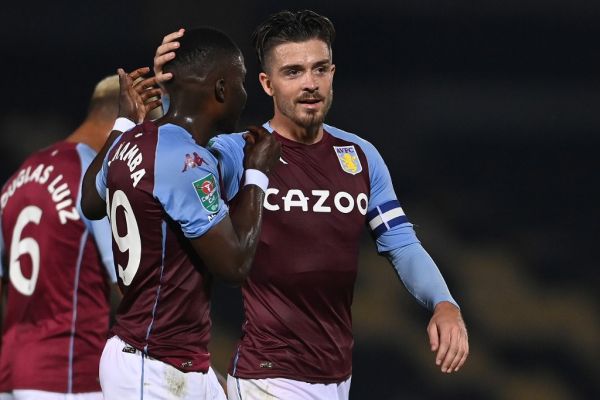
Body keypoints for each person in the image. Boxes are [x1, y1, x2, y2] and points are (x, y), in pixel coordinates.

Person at [154, 10, 469, 400]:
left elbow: (400, 242)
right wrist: (170, 98)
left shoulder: (360, 156)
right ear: (267, 84)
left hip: (337, 376)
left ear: (333, 73)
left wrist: (444, 303)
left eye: (319, 69)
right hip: (267, 375)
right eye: (293, 72)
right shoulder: (237, 152)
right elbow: (170, 169)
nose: (310, 84)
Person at [80, 27, 280, 400]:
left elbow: (90, 202)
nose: (245, 94)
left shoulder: (135, 137)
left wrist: (124, 122)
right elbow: (234, 265)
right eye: (241, 83)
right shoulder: (186, 161)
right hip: (152, 364)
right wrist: (256, 177)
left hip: (170, 356)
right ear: (221, 89)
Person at [0, 75, 124, 400]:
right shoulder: (91, 178)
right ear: (123, 120)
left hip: (12, 369)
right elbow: (126, 282)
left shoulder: (19, 176)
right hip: (67, 372)